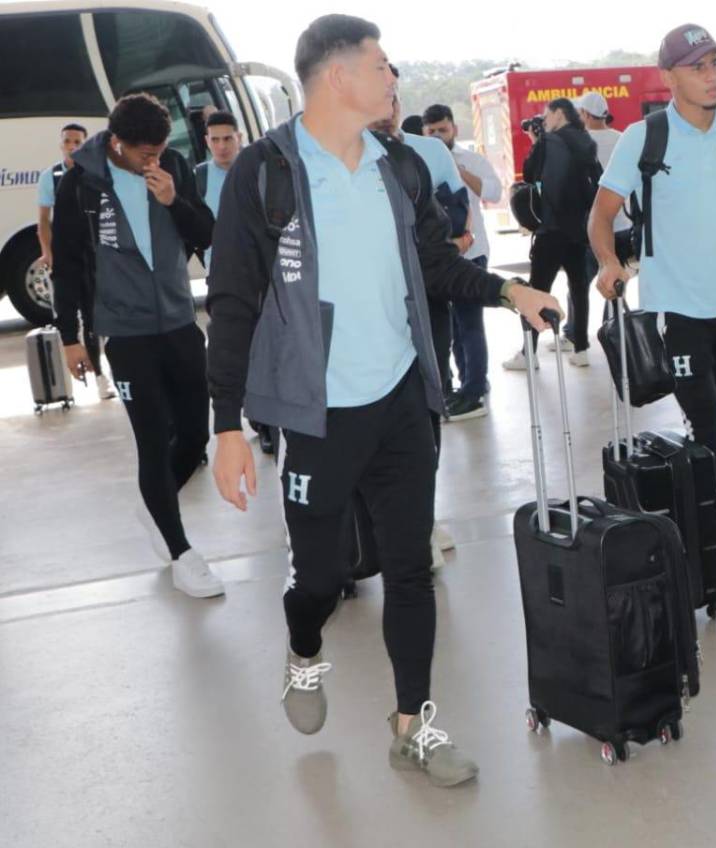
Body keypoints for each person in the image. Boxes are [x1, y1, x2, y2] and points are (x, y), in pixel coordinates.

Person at [205, 14, 560, 787]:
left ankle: (412, 724)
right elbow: (232, 302)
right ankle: (304, 652)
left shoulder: (396, 166)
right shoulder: (264, 173)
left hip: (402, 398)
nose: (392, 78)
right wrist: (226, 424)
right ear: (338, 76)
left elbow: (434, 264)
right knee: (321, 581)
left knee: (409, 569)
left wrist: (508, 290)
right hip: (318, 412)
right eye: (380, 65)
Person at [591, 23, 716, 601]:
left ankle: (691, 521)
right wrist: (606, 263)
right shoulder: (644, 139)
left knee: (705, 434)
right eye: (698, 66)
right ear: (668, 76)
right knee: (710, 429)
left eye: (715, 64)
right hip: (675, 314)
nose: (712, 75)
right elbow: (600, 217)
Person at [52, 93, 222, 599]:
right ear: (117, 143)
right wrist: (70, 337)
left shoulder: (172, 169)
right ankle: (181, 552)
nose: (154, 159)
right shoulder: (80, 183)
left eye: (160, 149)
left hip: (177, 320)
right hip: (124, 333)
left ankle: (155, 504)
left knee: (195, 436)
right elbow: (66, 263)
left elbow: (207, 232)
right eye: (145, 152)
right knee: (151, 438)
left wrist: (175, 200)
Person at [370, 84, 470, 565]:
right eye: (378, 101)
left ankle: (422, 517)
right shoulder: (344, 164)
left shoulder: (426, 154)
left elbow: (455, 210)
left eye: (392, 101)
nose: (387, 112)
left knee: (430, 411)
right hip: (379, 318)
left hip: (430, 305)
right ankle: (395, 526)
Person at [503, 97, 600, 371]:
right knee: (579, 288)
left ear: (559, 114)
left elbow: (532, 175)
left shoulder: (550, 142)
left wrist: (537, 142)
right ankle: (581, 348)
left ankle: (528, 353)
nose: (543, 122)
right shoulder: (585, 141)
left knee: (537, 290)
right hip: (579, 229)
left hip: (552, 227)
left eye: (546, 116)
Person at [424, 103, 503, 422]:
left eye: (443, 129)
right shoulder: (422, 160)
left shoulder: (471, 159)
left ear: (454, 128)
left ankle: (473, 392)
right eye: (431, 132)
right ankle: (467, 383)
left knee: (471, 324)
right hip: (442, 257)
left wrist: (459, 171)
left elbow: (495, 193)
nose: (438, 136)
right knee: (454, 327)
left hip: (473, 253)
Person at [36, 123, 116, 400]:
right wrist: (48, 253)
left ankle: (115, 368)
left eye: (77, 141)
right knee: (86, 318)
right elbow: (43, 221)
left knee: (102, 314)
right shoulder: (52, 177)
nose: (72, 146)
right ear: (61, 144)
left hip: (98, 254)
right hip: (72, 256)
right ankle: (100, 377)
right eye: (67, 141)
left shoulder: (97, 174)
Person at [569, 91, 633, 349]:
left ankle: (577, 337)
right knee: (615, 281)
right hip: (622, 226)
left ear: (584, 114)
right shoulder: (622, 139)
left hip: (591, 227)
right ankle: (616, 331)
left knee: (579, 286)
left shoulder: (577, 143)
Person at [196, 110, 243, 267]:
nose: (221, 146)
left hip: (260, 272)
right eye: (215, 140)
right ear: (207, 141)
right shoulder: (199, 177)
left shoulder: (257, 171)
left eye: (227, 138)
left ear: (239, 138)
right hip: (219, 272)